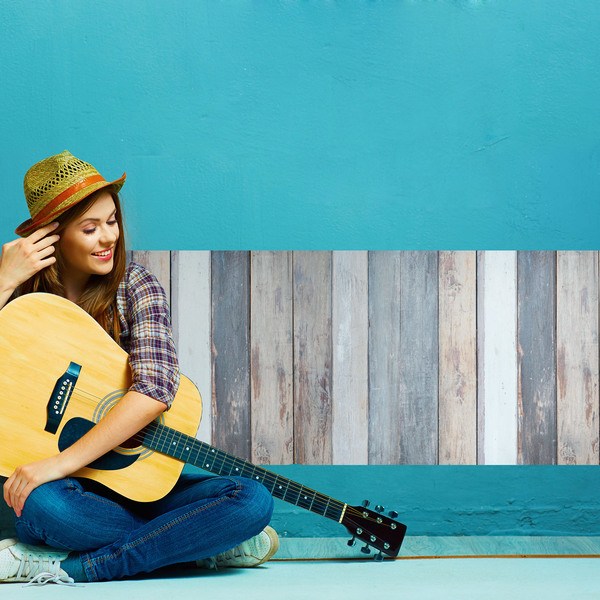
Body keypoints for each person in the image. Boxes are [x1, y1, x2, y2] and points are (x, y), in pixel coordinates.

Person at [0, 150, 278, 585]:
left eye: (111, 221)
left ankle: (82, 566)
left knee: (252, 500)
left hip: (138, 491)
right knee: (40, 505)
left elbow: (154, 391)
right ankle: (198, 545)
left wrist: (60, 462)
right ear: (49, 236)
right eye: (90, 228)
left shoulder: (135, 285)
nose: (107, 237)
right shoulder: (16, 297)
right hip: (66, 495)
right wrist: (3, 280)